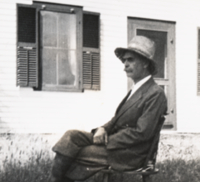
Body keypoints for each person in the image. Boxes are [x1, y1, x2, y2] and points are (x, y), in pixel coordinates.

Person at [49, 36, 168, 182]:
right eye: (124, 60)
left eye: (130, 60)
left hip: (130, 153)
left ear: (144, 63)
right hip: (117, 145)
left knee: (77, 151)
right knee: (71, 136)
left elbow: (142, 133)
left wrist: (107, 140)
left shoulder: (155, 93)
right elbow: (116, 120)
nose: (124, 65)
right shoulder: (136, 89)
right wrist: (102, 129)